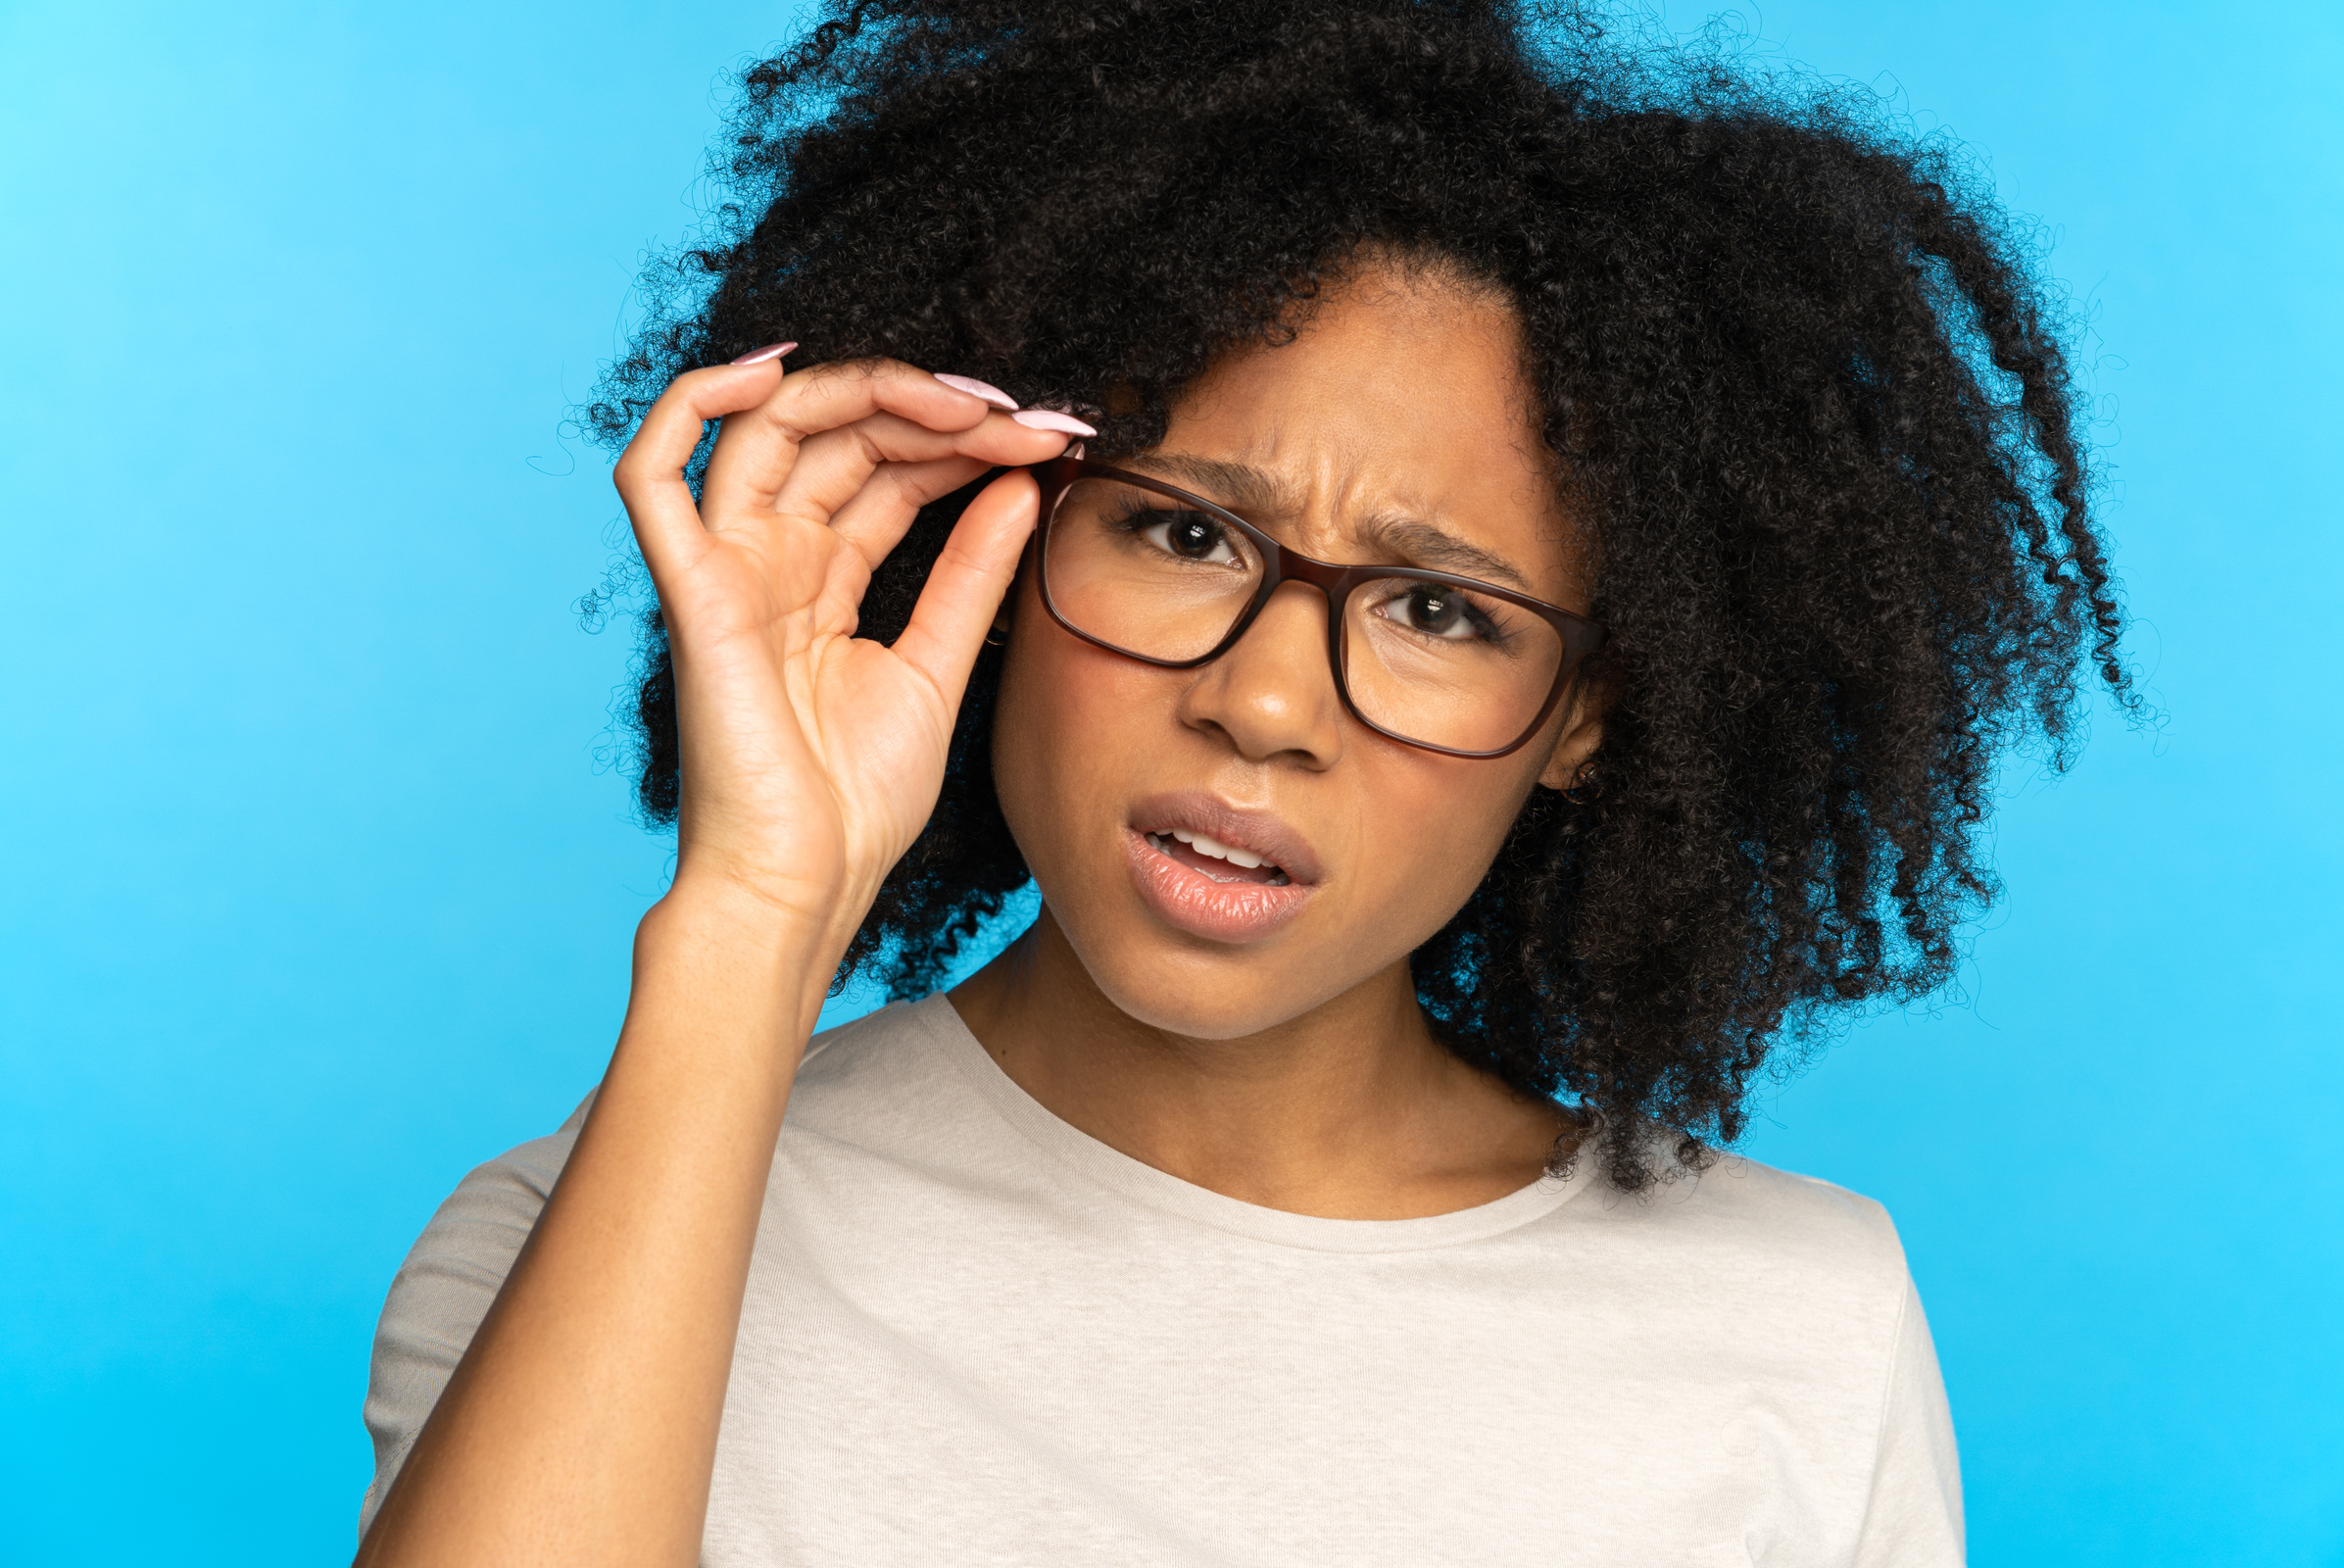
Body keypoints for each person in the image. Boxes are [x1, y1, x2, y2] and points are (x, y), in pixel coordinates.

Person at [352, 1, 2130, 1563]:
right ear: (988, 532)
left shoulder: (1794, 1325)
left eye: (1443, 609)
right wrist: (752, 923)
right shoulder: (576, 1248)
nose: (1267, 700)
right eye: (1184, 533)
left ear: (1589, 713)